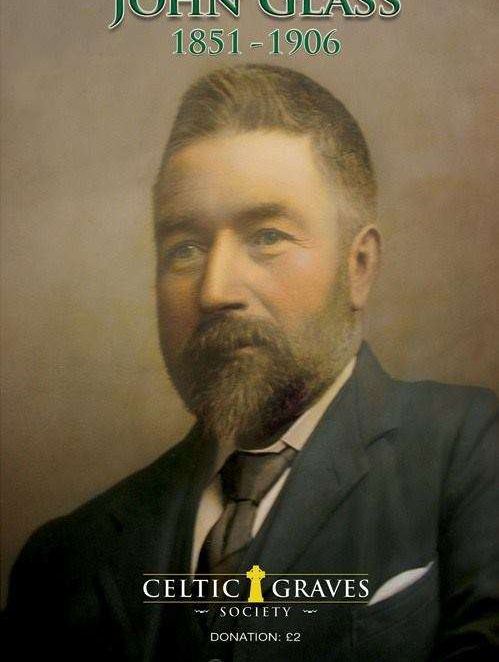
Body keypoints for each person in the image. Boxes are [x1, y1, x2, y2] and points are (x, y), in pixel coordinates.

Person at [4, 65, 498, 661]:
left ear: (359, 266)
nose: (214, 291)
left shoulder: (470, 451)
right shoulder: (62, 561)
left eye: (266, 237)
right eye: (184, 248)